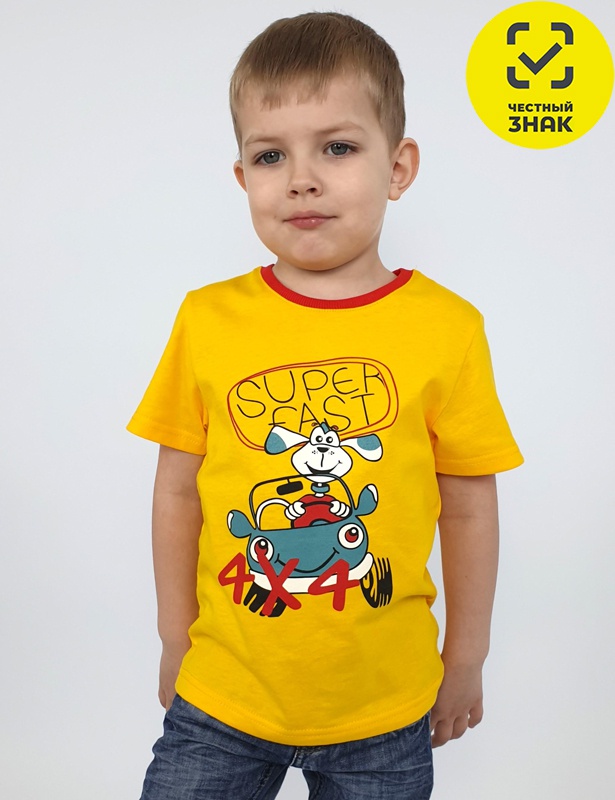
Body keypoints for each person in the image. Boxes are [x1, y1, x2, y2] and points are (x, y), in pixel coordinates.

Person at [128, 11, 523, 800]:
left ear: (397, 167)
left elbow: (467, 504)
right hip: (223, 695)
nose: (300, 178)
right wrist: (174, 638)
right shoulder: (207, 319)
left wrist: (466, 657)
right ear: (242, 177)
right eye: (270, 155)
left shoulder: (448, 328)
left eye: (336, 148)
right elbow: (177, 490)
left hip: (384, 708)